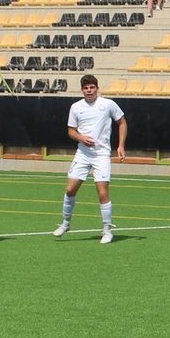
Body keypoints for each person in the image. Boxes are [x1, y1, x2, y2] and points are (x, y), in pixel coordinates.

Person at [53, 74, 127, 245]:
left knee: (102, 193)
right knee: (70, 189)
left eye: (92, 87)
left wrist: (121, 145)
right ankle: (66, 223)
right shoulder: (76, 107)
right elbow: (71, 130)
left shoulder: (107, 104)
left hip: (101, 155)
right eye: (86, 88)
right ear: (82, 90)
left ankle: (107, 230)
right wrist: (80, 137)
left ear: (97, 88)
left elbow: (122, 122)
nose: (89, 91)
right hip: (83, 154)